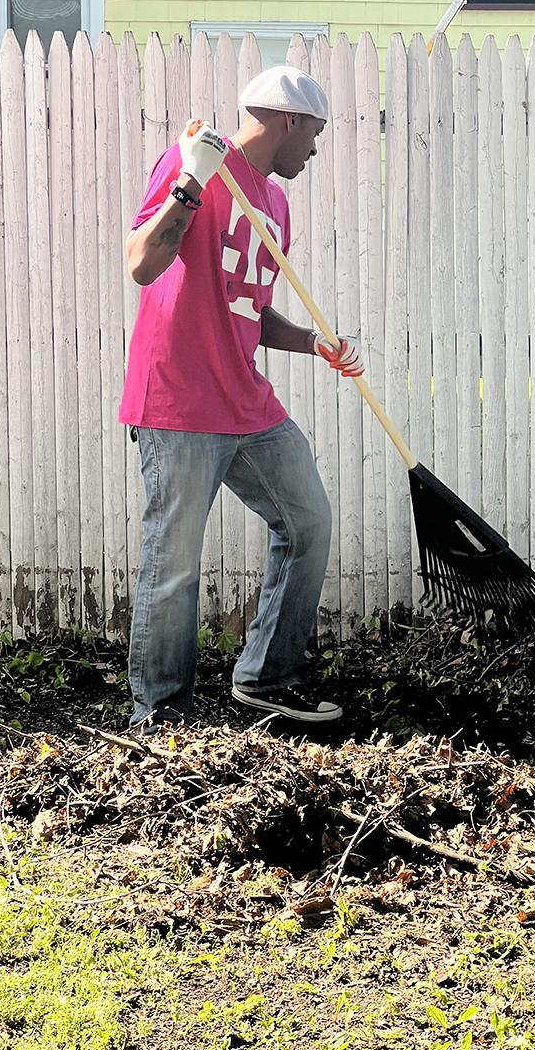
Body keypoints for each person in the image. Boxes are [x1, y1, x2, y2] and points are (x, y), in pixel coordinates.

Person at [120, 64, 364, 732]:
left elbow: (248, 310)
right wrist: (189, 184)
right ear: (288, 120)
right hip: (178, 400)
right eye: (314, 131)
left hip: (246, 402)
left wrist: (313, 342)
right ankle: (160, 717)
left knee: (308, 519)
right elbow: (142, 263)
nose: (315, 147)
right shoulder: (194, 163)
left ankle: (267, 675)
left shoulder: (275, 204)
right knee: (173, 566)